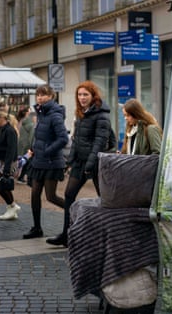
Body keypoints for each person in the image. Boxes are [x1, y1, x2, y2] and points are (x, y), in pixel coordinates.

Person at [46, 80, 112, 247]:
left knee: (105, 200)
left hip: (96, 163)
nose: (82, 98)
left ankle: (109, 235)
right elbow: (76, 140)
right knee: (69, 195)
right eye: (80, 94)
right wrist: (70, 161)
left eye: (85, 94)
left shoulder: (101, 114)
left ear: (93, 95)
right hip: (80, 163)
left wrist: (90, 164)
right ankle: (67, 235)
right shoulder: (81, 113)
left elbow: (100, 142)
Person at [22, 84, 69, 239]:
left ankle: (75, 213)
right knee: (35, 193)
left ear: (51, 96)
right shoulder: (41, 113)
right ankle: (37, 228)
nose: (39, 98)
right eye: (38, 95)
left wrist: (47, 151)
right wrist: (34, 149)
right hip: (39, 161)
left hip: (51, 162)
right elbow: (40, 136)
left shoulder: (54, 114)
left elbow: (63, 139)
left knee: (51, 196)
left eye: (43, 95)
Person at [0, 107, 21, 220]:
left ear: (1, 118)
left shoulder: (10, 131)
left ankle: (12, 206)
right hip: (4, 162)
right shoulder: (0, 129)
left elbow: (11, 151)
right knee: (1, 184)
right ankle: (11, 207)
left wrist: (7, 168)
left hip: (9, 162)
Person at [16, 106, 35, 184]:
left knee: (23, 161)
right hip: (27, 145)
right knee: (27, 161)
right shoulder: (31, 125)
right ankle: (22, 177)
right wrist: (31, 147)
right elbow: (31, 137)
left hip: (20, 144)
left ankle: (20, 176)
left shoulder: (20, 122)